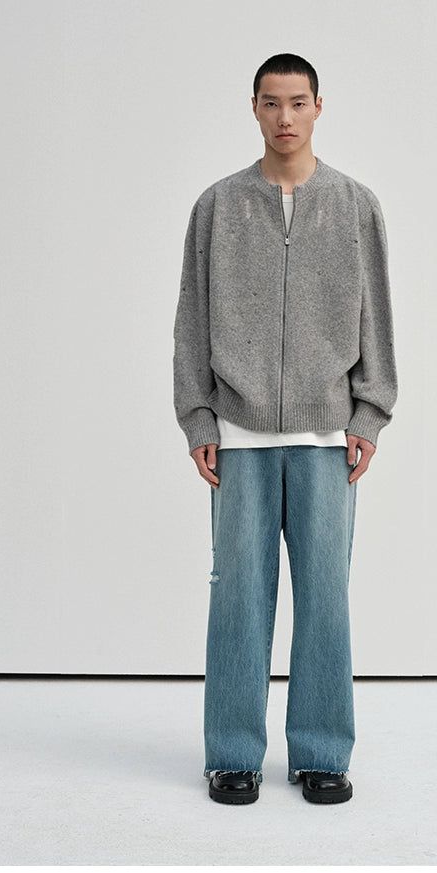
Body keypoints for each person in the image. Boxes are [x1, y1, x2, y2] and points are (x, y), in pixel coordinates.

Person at [172, 53, 398, 805]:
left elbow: (377, 316)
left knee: (326, 598)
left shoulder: (356, 205)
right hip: (238, 433)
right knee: (238, 598)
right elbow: (192, 319)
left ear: (318, 107)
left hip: (327, 436)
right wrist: (198, 416)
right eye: (272, 102)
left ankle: (322, 752)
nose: (285, 117)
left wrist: (369, 412)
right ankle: (233, 753)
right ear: (255, 108)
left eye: (298, 102)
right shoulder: (217, 206)